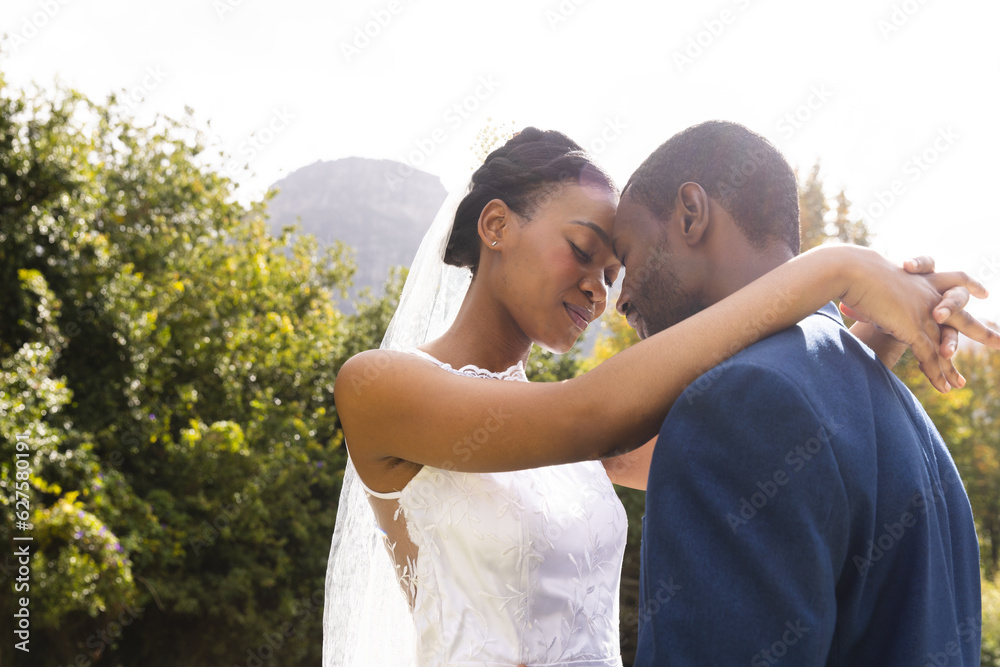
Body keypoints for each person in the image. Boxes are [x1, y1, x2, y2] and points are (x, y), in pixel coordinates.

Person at [323, 128, 997, 667]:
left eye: (615, 269)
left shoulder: (594, 439)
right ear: (495, 225)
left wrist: (869, 338)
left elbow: (793, 434)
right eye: (584, 250)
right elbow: (588, 413)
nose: (605, 291)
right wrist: (837, 265)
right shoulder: (378, 385)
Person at [620, 121, 987, 665]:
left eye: (626, 254)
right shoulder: (902, 412)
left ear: (691, 215)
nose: (621, 296)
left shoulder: (735, 404)